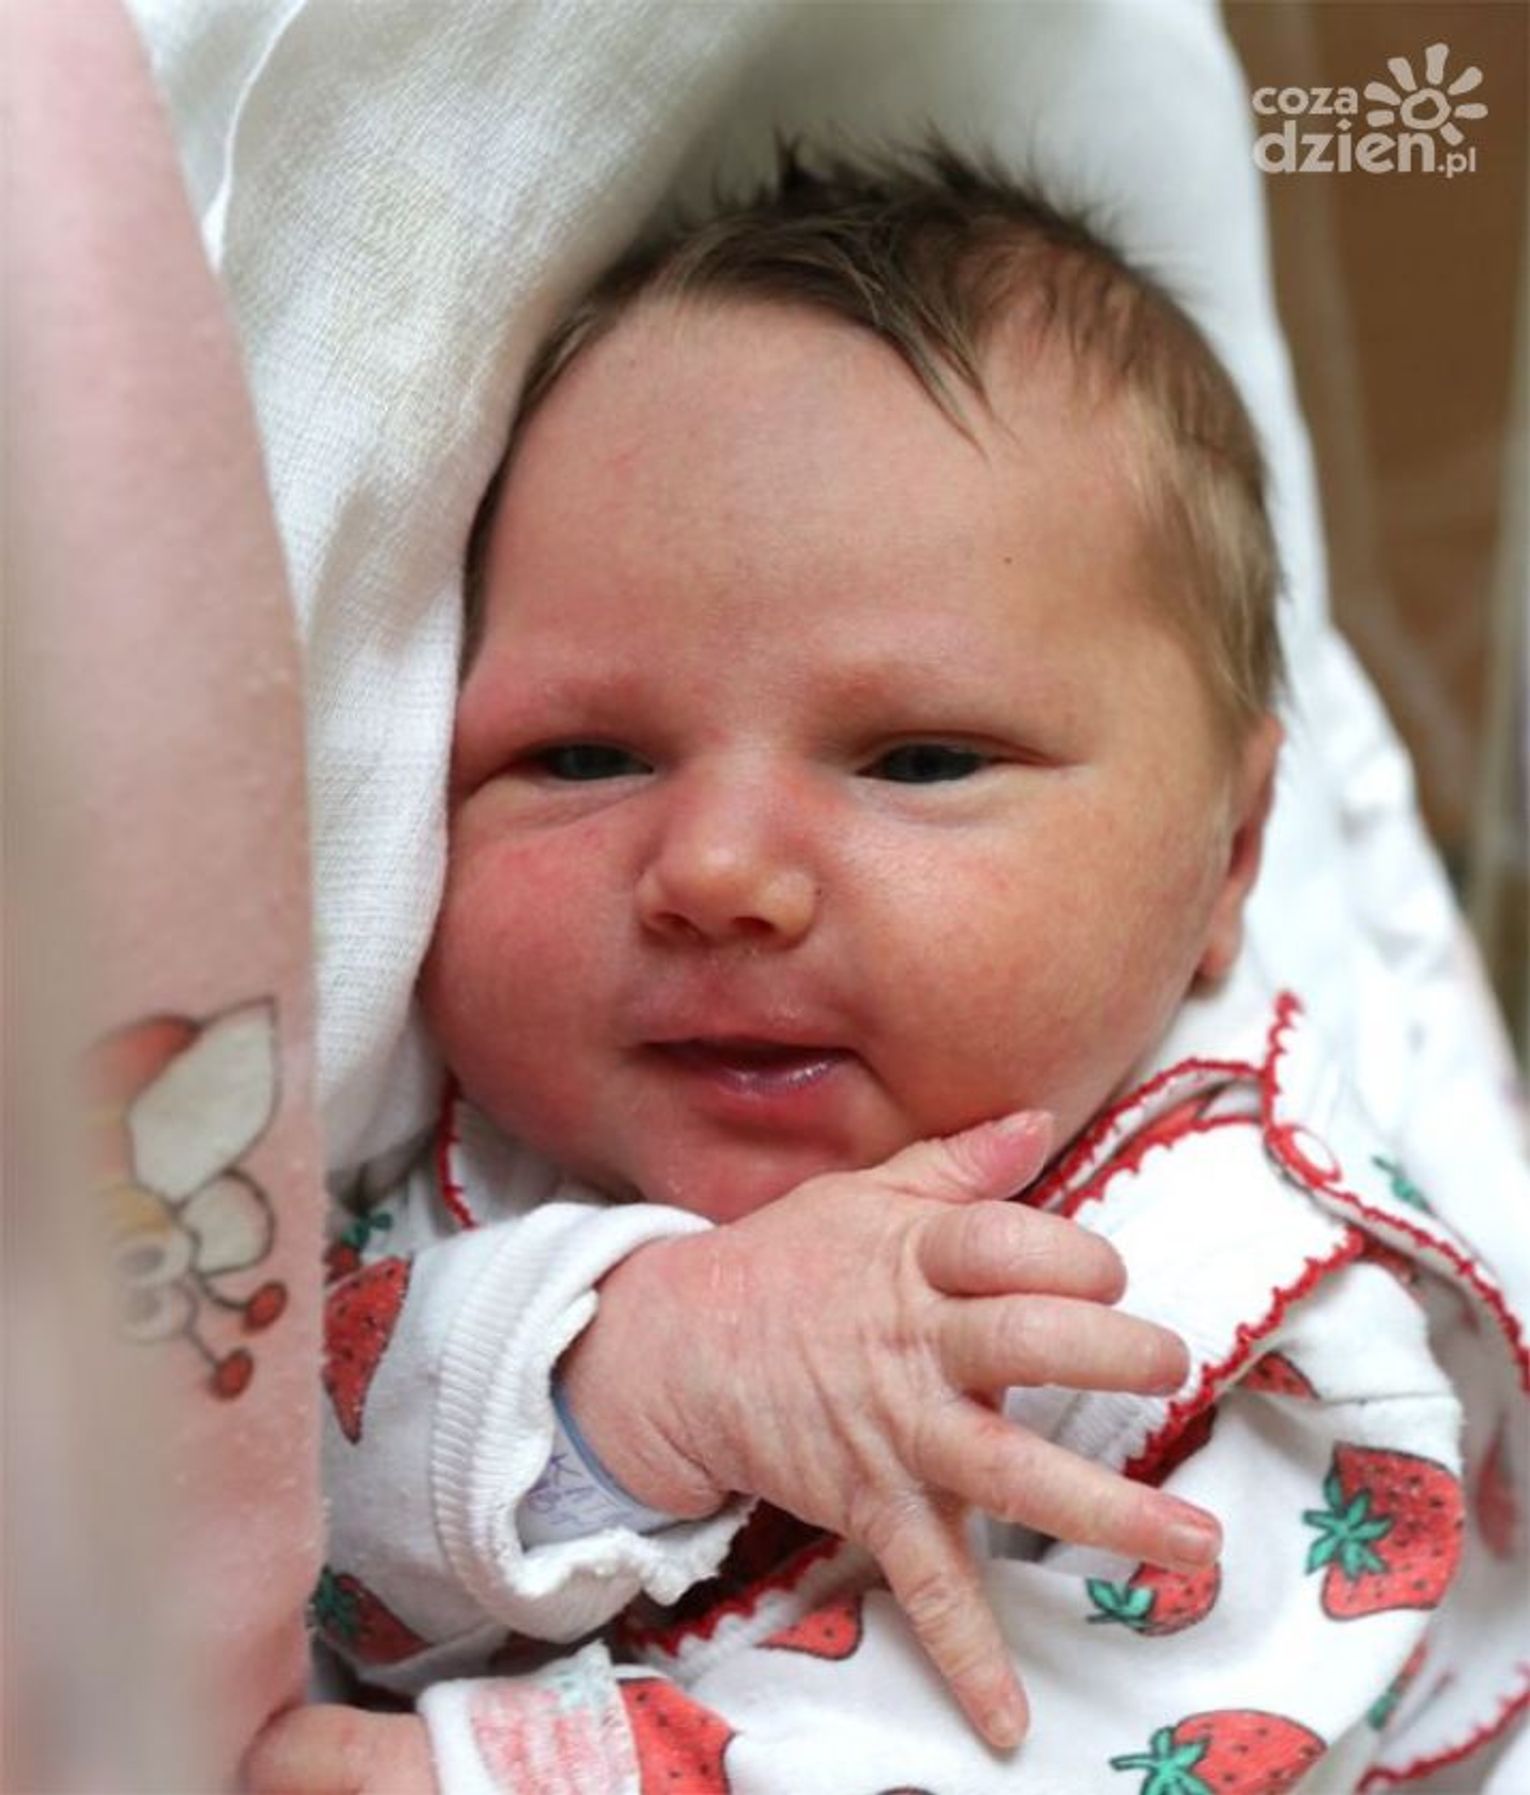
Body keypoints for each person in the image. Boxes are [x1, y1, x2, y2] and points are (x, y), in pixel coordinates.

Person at [250, 147, 1527, 1795]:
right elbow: (286, 1519)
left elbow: (1141, 1735)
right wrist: (611, 1391)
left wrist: (523, 1775)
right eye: (582, 757)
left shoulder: (1219, 1286)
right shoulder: (461, 1160)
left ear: (1227, 858)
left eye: (917, 760)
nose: (717, 872)